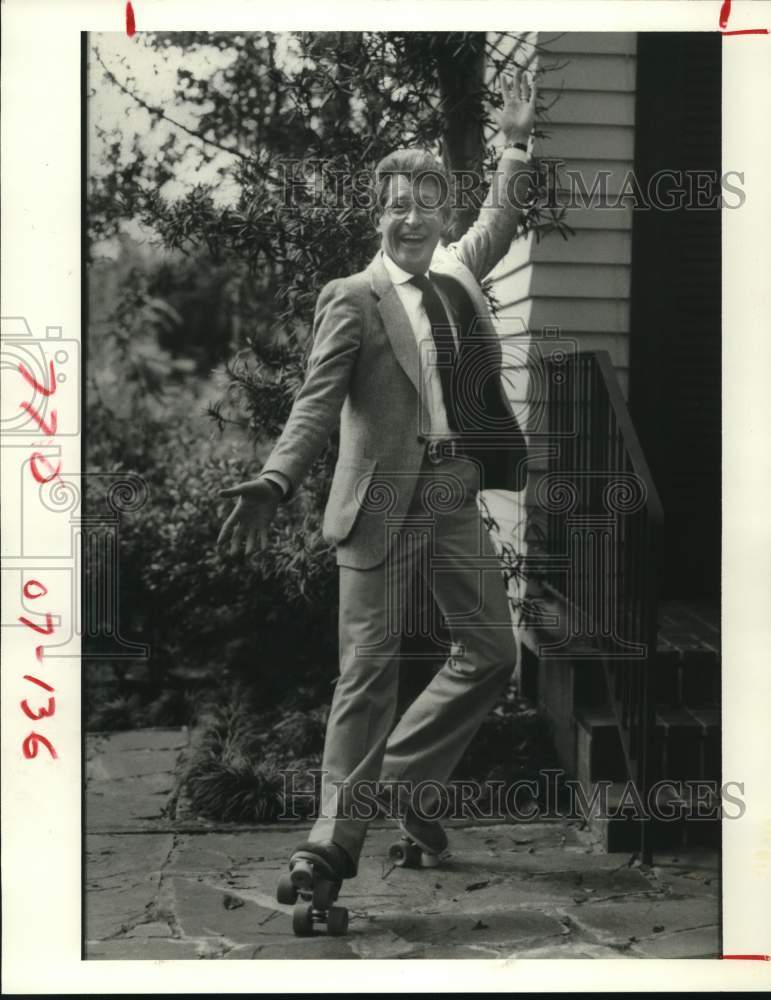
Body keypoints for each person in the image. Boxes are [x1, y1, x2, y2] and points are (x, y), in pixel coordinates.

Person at [217, 68, 537, 924]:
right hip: (378, 510)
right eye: (396, 204)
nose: (410, 218)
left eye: (425, 204)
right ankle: (330, 846)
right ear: (378, 214)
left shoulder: (456, 276)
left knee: (492, 655)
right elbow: (317, 402)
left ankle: (396, 785)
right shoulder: (353, 301)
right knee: (366, 678)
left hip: (449, 495)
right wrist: (278, 478)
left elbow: (501, 219)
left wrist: (513, 143)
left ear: (440, 216)